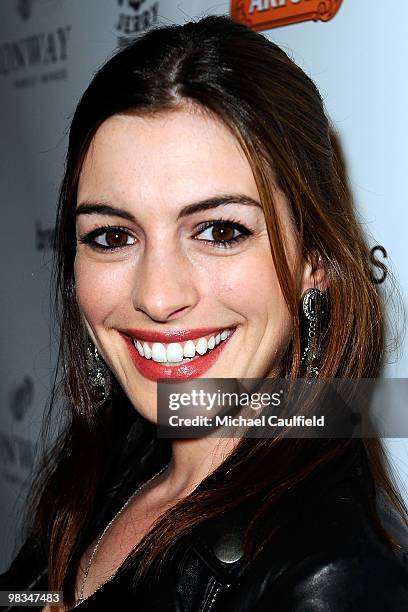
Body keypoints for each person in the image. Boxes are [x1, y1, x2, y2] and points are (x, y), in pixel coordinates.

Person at [1, 14, 408, 612]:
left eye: (219, 230)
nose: (158, 297)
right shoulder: (114, 460)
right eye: (113, 236)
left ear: (312, 264)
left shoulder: (335, 579)